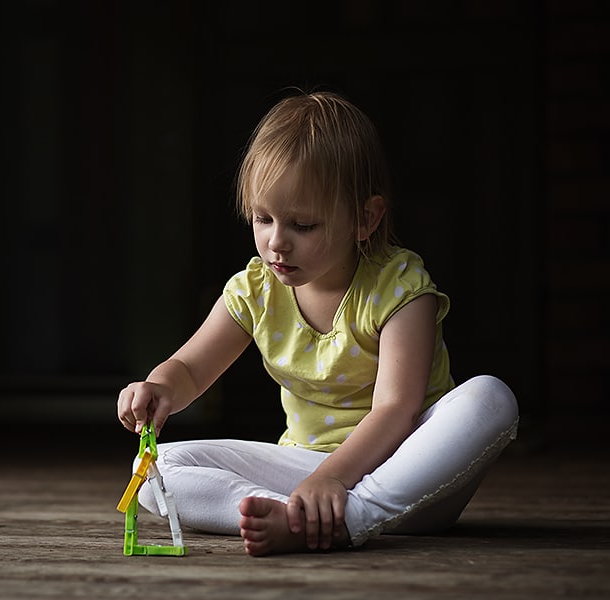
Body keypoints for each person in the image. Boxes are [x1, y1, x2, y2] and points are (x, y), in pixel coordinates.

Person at [116, 90, 518, 556]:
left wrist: (333, 481)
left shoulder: (400, 288)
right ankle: (297, 518)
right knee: (155, 471)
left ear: (365, 219)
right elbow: (189, 368)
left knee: (490, 396)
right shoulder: (256, 289)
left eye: (303, 226)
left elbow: (397, 409)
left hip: (408, 480)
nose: (276, 243)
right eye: (263, 218)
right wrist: (160, 387)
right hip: (305, 474)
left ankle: (351, 516)